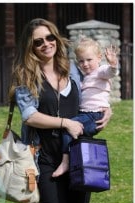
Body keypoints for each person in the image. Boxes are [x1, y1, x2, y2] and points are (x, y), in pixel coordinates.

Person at [9, 18, 112, 203]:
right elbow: (30, 116)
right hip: (45, 159)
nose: (46, 44)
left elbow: (93, 92)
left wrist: (108, 109)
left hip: (80, 156)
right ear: (30, 46)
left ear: (56, 38)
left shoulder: (73, 68)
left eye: (50, 38)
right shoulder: (25, 75)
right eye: (38, 41)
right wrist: (66, 123)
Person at [52, 37, 119, 177]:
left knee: (68, 130)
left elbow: (110, 72)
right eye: (81, 61)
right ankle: (76, 164)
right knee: (74, 136)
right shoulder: (86, 76)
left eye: (89, 60)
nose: (85, 64)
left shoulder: (100, 71)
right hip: (86, 114)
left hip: (94, 114)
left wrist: (113, 64)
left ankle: (65, 162)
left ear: (99, 58)